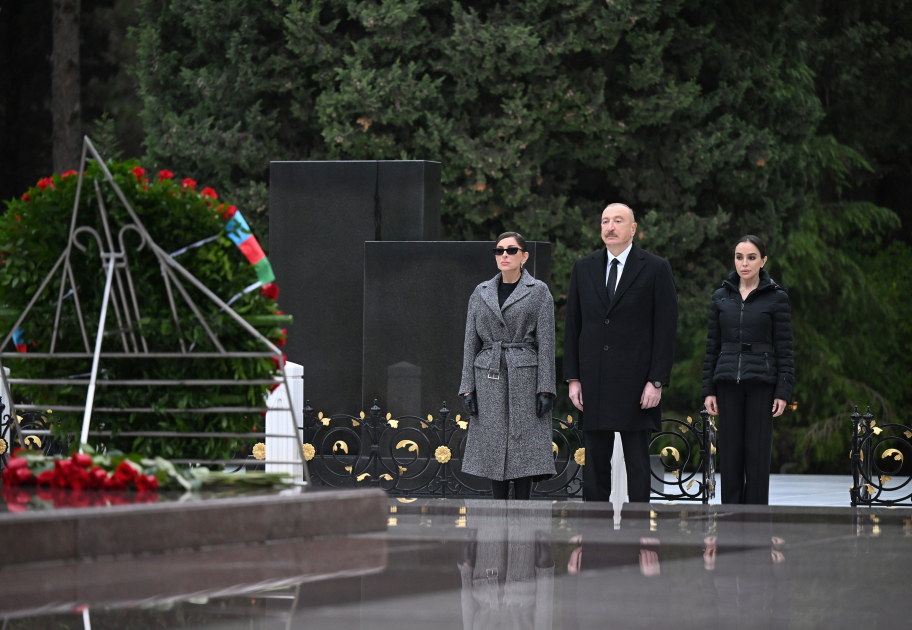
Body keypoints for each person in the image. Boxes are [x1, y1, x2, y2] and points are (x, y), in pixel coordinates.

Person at [563, 203, 678, 503]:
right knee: (595, 470)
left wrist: (656, 381)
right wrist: (573, 378)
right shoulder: (583, 267)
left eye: (617, 221)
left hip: (637, 383)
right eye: (605, 221)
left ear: (633, 229)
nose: (610, 227)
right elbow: (573, 325)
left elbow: (666, 329)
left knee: (638, 468)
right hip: (594, 381)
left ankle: (638, 528)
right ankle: (595, 528)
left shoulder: (655, 268)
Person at [460, 232, 557, 500]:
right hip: (488, 375)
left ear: (524, 256)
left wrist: (546, 388)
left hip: (525, 374)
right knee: (493, 444)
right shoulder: (481, 292)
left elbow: (547, 343)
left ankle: (522, 510)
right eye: (499, 250)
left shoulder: (538, 291)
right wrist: (467, 388)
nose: (504, 255)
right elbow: (470, 342)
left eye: (511, 250)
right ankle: (497, 510)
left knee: (523, 445)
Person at [702, 235, 793, 505]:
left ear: (763, 261)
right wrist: (708, 390)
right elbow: (711, 348)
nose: (744, 263)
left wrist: (783, 391)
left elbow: (785, 348)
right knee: (730, 455)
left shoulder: (777, 298)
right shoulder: (720, 297)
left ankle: (756, 517)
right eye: (739, 257)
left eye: (751, 258)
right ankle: (730, 515)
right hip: (727, 382)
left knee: (757, 454)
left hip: (762, 384)